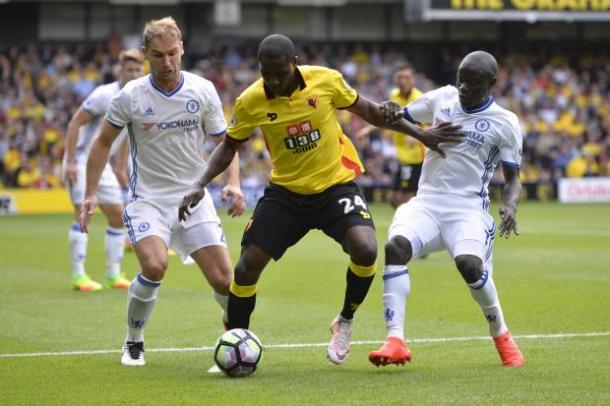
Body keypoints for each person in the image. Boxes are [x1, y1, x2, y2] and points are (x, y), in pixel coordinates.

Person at [179, 34, 463, 365]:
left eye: (279, 72)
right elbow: (230, 144)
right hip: (286, 193)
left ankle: (344, 320)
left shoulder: (325, 80)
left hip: (334, 186)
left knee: (367, 248)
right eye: (265, 72)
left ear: (294, 63)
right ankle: (236, 342)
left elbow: (370, 111)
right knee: (245, 268)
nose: (273, 80)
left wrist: (421, 134)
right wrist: (200, 183)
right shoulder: (250, 101)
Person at [79, 17, 245, 367]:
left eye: (172, 53)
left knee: (225, 280)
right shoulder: (131, 96)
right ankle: (134, 340)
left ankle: (233, 347)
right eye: (158, 56)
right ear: (145, 55)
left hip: (194, 199)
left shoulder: (202, 90)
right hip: (148, 200)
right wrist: (89, 194)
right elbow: (101, 143)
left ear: (182, 48)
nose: (167, 63)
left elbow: (224, 143)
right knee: (154, 267)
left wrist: (233, 183)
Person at [368, 51, 525, 368]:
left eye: (473, 82)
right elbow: (397, 117)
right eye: (461, 79)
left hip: (468, 210)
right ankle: (395, 340)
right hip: (426, 202)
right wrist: (419, 133)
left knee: (469, 266)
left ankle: (501, 334)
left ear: (492, 83)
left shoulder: (505, 123)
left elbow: (513, 179)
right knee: (395, 247)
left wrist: (509, 206)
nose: (464, 87)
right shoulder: (442, 98)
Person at [63, 49, 143, 292]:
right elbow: (75, 122)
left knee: (118, 216)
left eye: (138, 69)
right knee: (83, 212)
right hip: (82, 158)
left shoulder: (138, 97)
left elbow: (126, 135)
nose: (134, 73)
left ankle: (113, 275)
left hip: (103, 164)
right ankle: (78, 275)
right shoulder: (104, 94)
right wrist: (72, 160)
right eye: (130, 69)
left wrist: (119, 166)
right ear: (120, 71)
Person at [387, 65, 425, 208]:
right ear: (395, 79)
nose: (403, 81)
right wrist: (368, 129)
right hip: (400, 155)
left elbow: (430, 123)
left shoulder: (420, 98)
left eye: (407, 77)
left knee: (406, 199)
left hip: (415, 156)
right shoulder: (393, 95)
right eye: (399, 77)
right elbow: (387, 117)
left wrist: (416, 136)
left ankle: (407, 226)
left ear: (413, 79)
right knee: (392, 198)